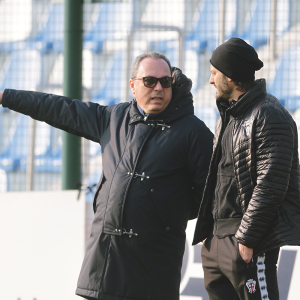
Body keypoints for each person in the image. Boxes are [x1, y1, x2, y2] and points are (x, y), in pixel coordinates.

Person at [0, 51, 213, 300]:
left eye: (165, 82)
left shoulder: (195, 132)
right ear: (133, 85)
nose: (158, 88)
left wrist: (164, 212)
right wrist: (6, 97)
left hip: (155, 266)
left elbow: (208, 194)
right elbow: (58, 108)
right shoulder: (113, 118)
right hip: (105, 265)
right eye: (149, 81)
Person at [192, 37, 300, 300]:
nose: (210, 81)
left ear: (229, 76)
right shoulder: (227, 115)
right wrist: (210, 237)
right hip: (217, 240)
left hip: (245, 241)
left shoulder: (268, 115)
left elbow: (271, 183)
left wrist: (248, 239)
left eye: (214, 73)